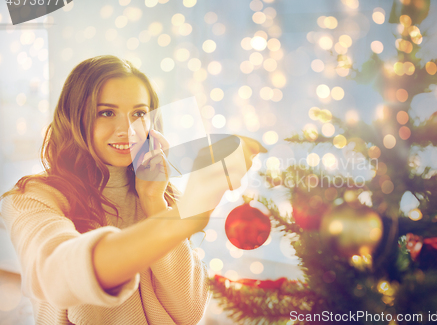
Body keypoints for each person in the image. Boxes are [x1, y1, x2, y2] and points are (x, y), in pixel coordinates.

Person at [0, 55, 265, 324]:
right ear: (73, 117)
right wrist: (185, 215)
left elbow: (190, 312)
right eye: (106, 112)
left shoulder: (160, 193)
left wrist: (154, 202)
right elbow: (55, 278)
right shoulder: (31, 199)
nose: (127, 130)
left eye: (139, 114)